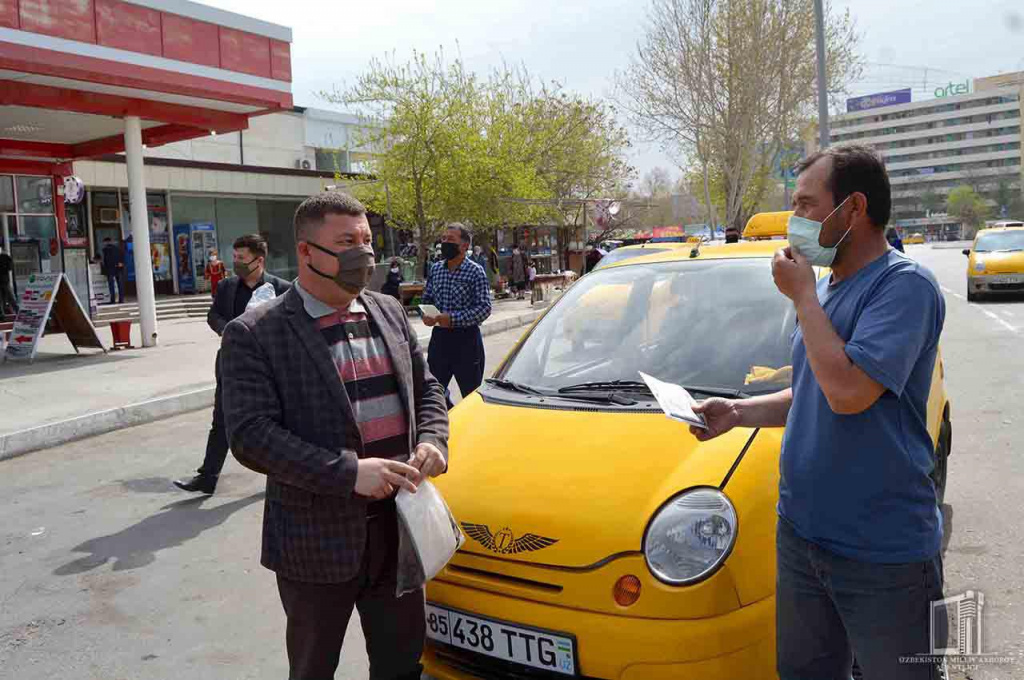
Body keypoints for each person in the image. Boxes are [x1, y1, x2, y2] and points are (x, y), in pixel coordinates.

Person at [691, 145, 945, 680]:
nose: (795, 221)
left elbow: (848, 393)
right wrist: (735, 413)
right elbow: (811, 392)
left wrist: (803, 298)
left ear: (853, 208)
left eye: (806, 205)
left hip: (882, 551)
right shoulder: (829, 288)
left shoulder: (903, 288)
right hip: (803, 537)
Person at [219, 191, 449, 680]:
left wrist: (433, 439)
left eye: (366, 239)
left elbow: (426, 388)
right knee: (312, 667)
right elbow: (251, 436)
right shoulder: (255, 333)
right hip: (315, 542)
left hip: (399, 530)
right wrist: (348, 474)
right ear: (306, 252)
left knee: (401, 663)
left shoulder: (388, 311)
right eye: (346, 242)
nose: (362, 253)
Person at [173, 234, 291, 495]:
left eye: (241, 258)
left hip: (270, 367)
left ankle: (282, 474)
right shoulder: (227, 287)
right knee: (223, 419)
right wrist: (227, 328)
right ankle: (207, 477)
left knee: (279, 422)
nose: (235, 262)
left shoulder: (281, 288)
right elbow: (213, 314)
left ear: (258, 260)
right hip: (231, 363)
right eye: (234, 257)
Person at [422, 223, 492, 408]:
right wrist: (427, 315)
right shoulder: (436, 269)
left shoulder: (475, 272)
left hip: (467, 342)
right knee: (433, 391)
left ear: (464, 245)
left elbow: (484, 308)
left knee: (471, 396)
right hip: (440, 340)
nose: (445, 243)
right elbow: (427, 297)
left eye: (451, 240)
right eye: (443, 239)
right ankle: (449, 419)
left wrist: (452, 319)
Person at [100, 237, 125, 304]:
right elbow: (122, 257)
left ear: (106, 242)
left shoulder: (105, 250)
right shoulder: (118, 249)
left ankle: (113, 299)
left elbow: (106, 260)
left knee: (111, 285)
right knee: (120, 285)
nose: (103, 244)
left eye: (104, 242)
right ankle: (121, 299)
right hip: (118, 268)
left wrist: (104, 269)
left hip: (110, 269)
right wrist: (120, 264)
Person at [0, 245, 16, 320]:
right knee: (5, 298)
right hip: (5, 280)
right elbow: (10, 267)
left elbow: (10, 267)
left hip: (5, 281)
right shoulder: (6, 257)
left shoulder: (5, 257)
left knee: (9, 297)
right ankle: (2, 315)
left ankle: (16, 311)